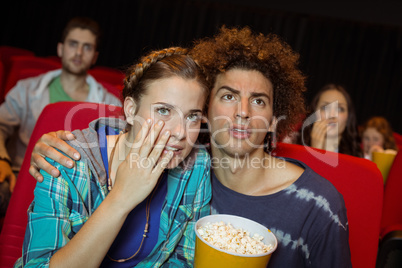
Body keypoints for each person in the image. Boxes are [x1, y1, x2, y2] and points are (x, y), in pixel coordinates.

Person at [29, 26, 351, 267]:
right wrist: (67, 143)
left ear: (274, 116)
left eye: (259, 100)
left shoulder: (318, 205)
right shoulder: (190, 163)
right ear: (209, 111)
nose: (242, 111)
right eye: (228, 96)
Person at [15, 47, 211, 267]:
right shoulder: (66, 161)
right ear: (130, 109)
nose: (181, 132)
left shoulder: (196, 165)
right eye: (164, 110)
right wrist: (120, 198)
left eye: (192, 116)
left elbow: (184, 259)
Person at [0, 17, 122, 217]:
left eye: (87, 47)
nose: (79, 52)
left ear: (94, 57)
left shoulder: (110, 104)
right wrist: (1, 158)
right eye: (73, 44)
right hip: (19, 178)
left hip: (79, 192)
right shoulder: (27, 88)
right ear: (60, 49)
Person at [297, 83, 363, 157]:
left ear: (348, 117)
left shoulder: (359, 160)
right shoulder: (294, 152)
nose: (332, 115)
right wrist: (315, 151)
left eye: (339, 109)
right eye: (325, 108)